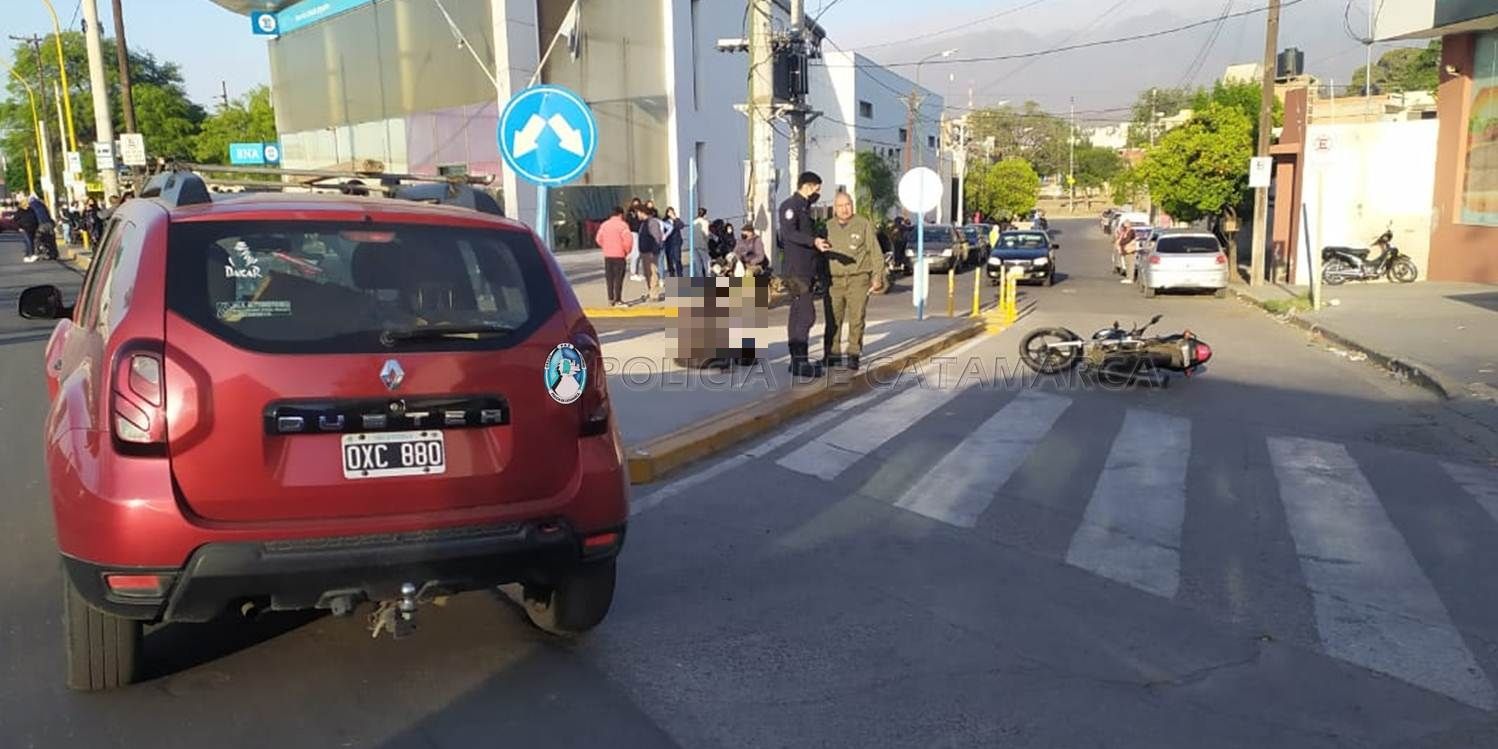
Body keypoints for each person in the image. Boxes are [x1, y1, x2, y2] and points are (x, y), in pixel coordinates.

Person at [777, 171, 832, 378]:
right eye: (817, 189)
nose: (818, 193)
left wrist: (818, 242)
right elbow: (789, 233)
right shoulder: (791, 206)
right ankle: (800, 361)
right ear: (808, 186)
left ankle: (797, 361)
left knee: (797, 314)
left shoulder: (804, 207)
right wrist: (813, 242)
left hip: (805, 269)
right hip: (796, 271)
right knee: (807, 315)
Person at [822, 192, 883, 370]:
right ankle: (832, 353)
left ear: (852, 205)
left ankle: (853, 353)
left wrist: (877, 276)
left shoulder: (863, 224)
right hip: (834, 280)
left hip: (858, 279)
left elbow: (875, 252)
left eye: (847, 204)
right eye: (840, 206)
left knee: (856, 318)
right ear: (835, 208)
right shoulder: (827, 226)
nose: (844, 209)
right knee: (833, 318)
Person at [595, 206, 633, 307]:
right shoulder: (623, 225)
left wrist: (606, 246)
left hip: (608, 255)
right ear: (620, 214)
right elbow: (628, 241)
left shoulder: (604, 225)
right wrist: (626, 251)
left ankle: (610, 298)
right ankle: (618, 299)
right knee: (618, 279)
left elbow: (598, 239)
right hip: (619, 255)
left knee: (610, 278)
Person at [637, 206, 665, 301]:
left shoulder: (652, 222)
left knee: (653, 273)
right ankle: (650, 292)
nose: (637, 215)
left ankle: (654, 294)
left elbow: (657, 238)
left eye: (638, 212)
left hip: (650, 252)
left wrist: (654, 251)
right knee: (647, 274)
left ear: (642, 212)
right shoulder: (643, 224)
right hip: (644, 252)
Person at [661, 207, 685, 277]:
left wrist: (675, 218)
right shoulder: (664, 221)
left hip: (676, 243)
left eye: (672, 212)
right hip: (668, 243)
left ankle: (680, 274)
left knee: (677, 259)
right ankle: (672, 275)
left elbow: (681, 226)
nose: (670, 214)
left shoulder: (676, 220)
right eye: (669, 212)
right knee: (670, 260)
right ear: (667, 213)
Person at [15, 194, 39, 261]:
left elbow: (35, 218)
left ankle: (27, 255)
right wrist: (19, 227)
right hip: (24, 228)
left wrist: (37, 225)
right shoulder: (19, 211)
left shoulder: (31, 210)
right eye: (27, 202)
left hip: (32, 227)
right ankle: (31, 254)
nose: (28, 203)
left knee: (31, 241)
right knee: (28, 241)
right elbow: (15, 220)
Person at [626, 197, 644, 281]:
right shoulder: (630, 214)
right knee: (635, 253)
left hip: (640, 233)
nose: (636, 206)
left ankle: (636, 272)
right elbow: (630, 223)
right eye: (635, 204)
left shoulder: (640, 213)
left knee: (639, 254)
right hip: (634, 233)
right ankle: (633, 273)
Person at [692, 208, 712, 276]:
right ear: (704, 214)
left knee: (698, 264)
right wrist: (707, 241)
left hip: (694, 245)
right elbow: (706, 234)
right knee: (706, 263)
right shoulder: (705, 222)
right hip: (702, 245)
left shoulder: (693, 221)